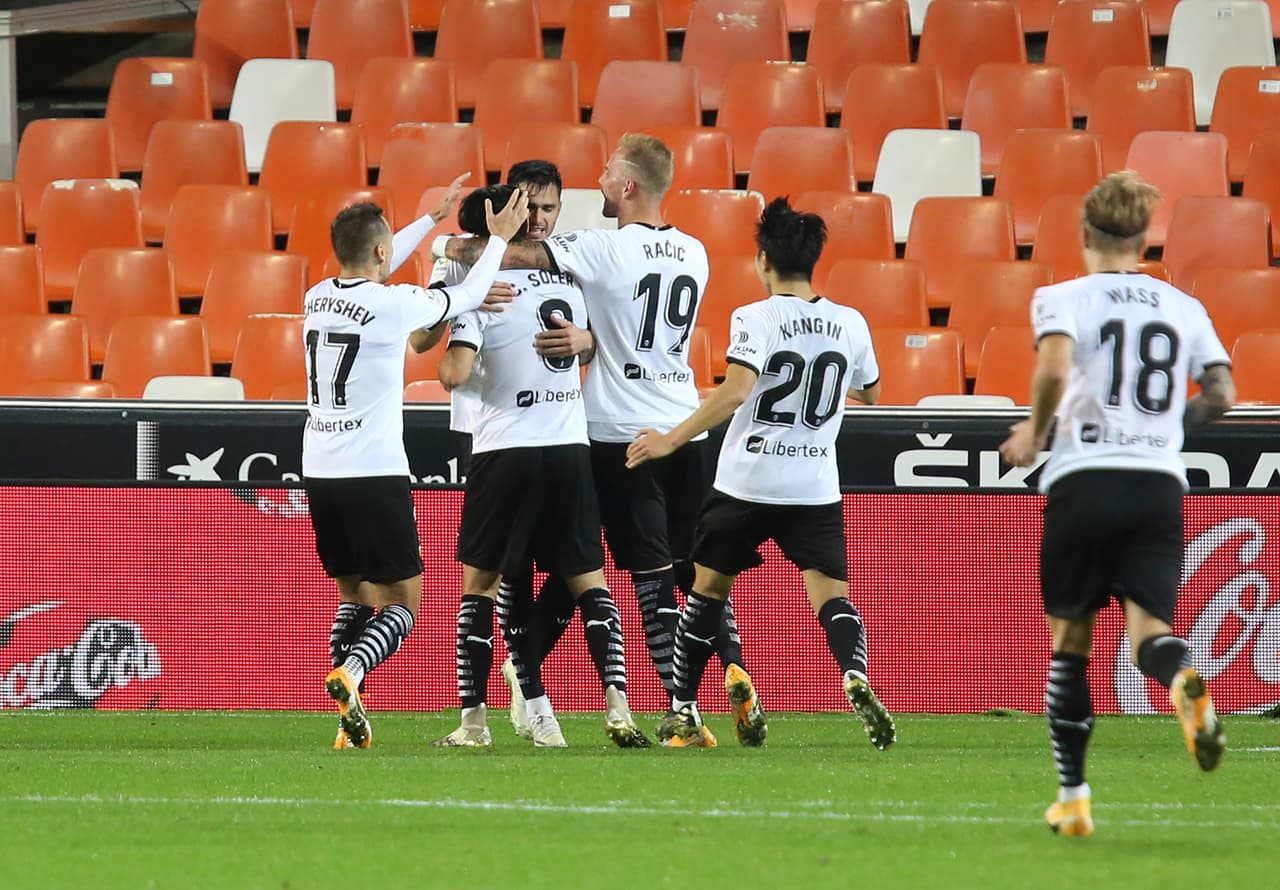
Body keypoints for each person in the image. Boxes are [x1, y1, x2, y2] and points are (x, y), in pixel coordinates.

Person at [436, 134, 750, 747]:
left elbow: (517, 259)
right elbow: (624, 322)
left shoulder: (598, 250)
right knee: (630, 569)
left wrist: (446, 246)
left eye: (607, 171)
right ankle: (726, 671)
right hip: (681, 426)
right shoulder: (696, 252)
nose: (598, 180)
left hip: (611, 433)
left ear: (627, 185)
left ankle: (672, 705)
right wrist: (592, 339)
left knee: (633, 576)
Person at [999, 171, 1233, 837]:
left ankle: (1073, 799)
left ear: (1084, 234)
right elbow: (1221, 393)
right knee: (1149, 634)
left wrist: (1035, 432)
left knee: (1071, 642)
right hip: (1158, 484)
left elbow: (1053, 367)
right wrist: (1161, 430)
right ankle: (1181, 677)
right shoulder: (1182, 306)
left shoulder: (1062, 297)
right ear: (1144, 239)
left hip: (1085, 478)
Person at [626, 197, 896, 752]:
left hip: (747, 480)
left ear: (763, 260)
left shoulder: (756, 316)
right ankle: (855, 674)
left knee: (706, 595)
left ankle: (683, 712)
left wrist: (670, 440)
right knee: (831, 598)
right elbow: (871, 392)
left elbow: (737, 389)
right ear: (813, 261)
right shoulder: (850, 322)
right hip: (813, 485)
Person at [306, 178, 529, 750]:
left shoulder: (316, 296)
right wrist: (499, 239)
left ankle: (346, 717)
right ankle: (352, 673)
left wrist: (430, 220)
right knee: (403, 603)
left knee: (353, 596)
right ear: (381, 252)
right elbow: (468, 293)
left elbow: (378, 257)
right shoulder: (394, 304)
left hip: (319, 470)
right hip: (372, 471)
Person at [431, 184, 649, 749]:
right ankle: (618, 707)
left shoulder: (480, 283)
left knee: (482, 585)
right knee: (589, 579)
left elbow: (453, 372)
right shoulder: (568, 279)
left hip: (504, 446)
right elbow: (609, 339)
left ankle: (474, 722)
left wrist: (459, 312)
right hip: (570, 446)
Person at [415, 160, 590, 742]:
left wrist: (588, 339)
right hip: (487, 427)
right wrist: (458, 293)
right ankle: (532, 705)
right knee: (508, 577)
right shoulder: (463, 262)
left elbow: (602, 336)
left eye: (548, 208)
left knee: (534, 574)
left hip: (538, 432)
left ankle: (517, 697)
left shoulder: (567, 259)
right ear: (508, 205)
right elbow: (422, 339)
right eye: (527, 207)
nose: (537, 219)